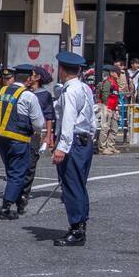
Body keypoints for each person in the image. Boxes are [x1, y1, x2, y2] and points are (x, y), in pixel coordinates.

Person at [0, 65, 46, 220]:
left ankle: (19, 199)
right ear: (28, 79)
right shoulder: (28, 96)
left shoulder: (0, 92)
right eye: (32, 76)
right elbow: (39, 123)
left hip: (0, 137)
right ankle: (6, 207)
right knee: (18, 172)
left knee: (11, 169)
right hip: (19, 138)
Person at [51, 51, 97, 247]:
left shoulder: (69, 91)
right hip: (84, 140)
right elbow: (92, 117)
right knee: (79, 184)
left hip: (74, 141)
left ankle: (76, 228)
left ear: (62, 70)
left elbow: (68, 120)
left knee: (71, 185)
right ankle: (80, 224)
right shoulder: (85, 88)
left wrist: (61, 147)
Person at [19, 66, 56, 210]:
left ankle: (24, 193)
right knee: (18, 163)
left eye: (32, 75)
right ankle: (16, 190)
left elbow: (49, 116)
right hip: (20, 132)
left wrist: (47, 136)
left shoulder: (44, 95)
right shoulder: (23, 92)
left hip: (34, 133)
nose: (29, 77)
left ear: (38, 78)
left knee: (30, 164)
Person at [95, 65, 120, 155]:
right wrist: (106, 107)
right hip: (106, 108)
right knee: (105, 128)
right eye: (117, 73)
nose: (119, 74)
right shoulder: (108, 82)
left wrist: (116, 109)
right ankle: (102, 148)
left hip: (113, 108)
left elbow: (116, 97)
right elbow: (105, 95)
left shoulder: (115, 83)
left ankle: (111, 146)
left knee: (114, 128)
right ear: (112, 73)